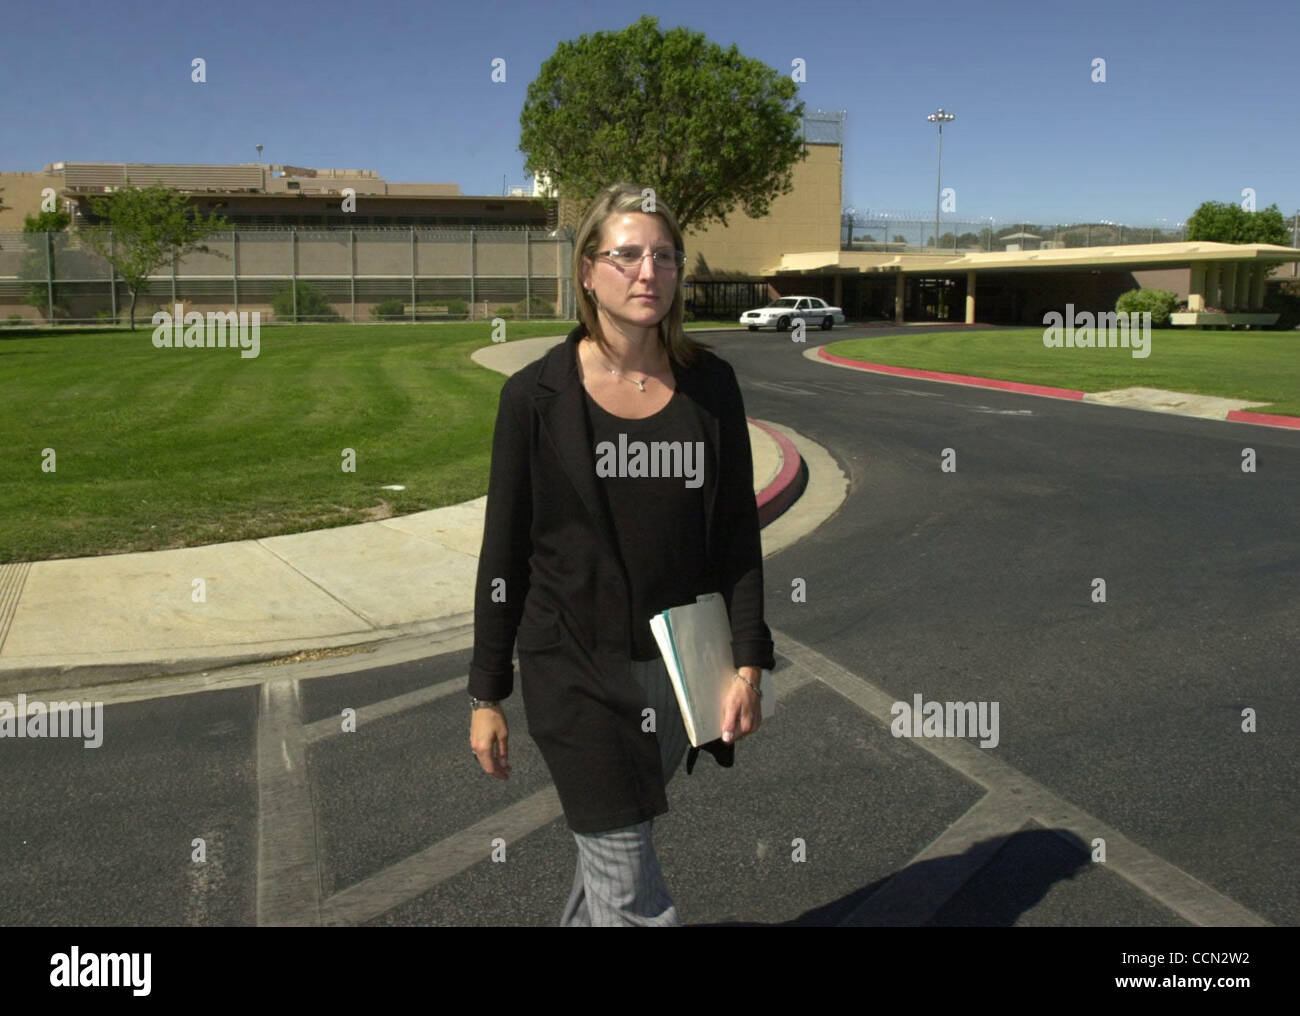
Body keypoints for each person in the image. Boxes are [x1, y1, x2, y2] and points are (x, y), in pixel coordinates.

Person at [468, 181, 775, 926]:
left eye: (665, 257)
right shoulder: (534, 398)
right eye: (627, 255)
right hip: (571, 667)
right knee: (633, 895)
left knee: (611, 855)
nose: (649, 273)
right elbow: (503, 555)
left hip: (678, 670)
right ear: (586, 271)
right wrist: (487, 694)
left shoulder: (711, 387)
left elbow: (735, 533)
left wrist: (746, 663)